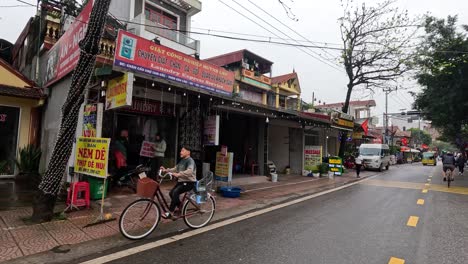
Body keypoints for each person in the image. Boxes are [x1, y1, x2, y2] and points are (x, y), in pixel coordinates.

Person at [160, 146, 197, 219]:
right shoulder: (182, 160)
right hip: (182, 181)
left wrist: (178, 174)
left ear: (188, 152)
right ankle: (181, 208)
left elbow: (189, 171)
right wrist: (166, 170)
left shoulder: (190, 161)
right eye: (181, 151)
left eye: (183, 151)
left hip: (189, 182)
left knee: (175, 192)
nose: (181, 152)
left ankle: (170, 212)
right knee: (171, 193)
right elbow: (176, 168)